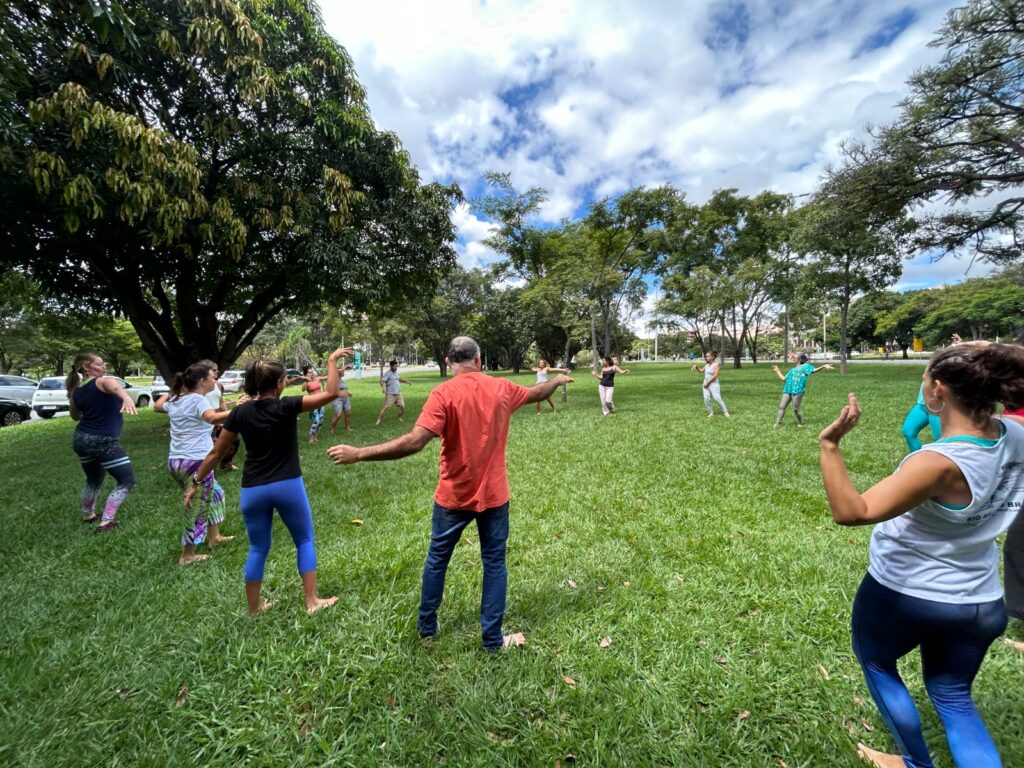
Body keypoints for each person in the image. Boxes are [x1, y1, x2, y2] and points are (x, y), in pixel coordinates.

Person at [818, 341, 1024, 768]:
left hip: (908, 593)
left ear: (938, 391)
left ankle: (915, 763)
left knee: (877, 663)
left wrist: (830, 446)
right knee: (954, 697)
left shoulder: (937, 462)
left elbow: (852, 512)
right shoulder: (1018, 436)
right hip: (982, 601)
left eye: (924, 379)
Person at [327, 336, 574, 651]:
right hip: (494, 496)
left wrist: (359, 453)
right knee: (494, 563)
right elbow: (538, 392)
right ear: (479, 361)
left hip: (453, 497)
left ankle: (427, 628)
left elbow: (415, 441)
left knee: (437, 559)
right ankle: (492, 641)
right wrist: (556, 379)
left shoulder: (443, 393)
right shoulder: (501, 389)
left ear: (448, 363)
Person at [185, 347, 351, 615]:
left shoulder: (240, 412)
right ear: (278, 383)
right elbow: (331, 393)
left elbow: (216, 452)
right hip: (288, 485)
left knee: (258, 547)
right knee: (304, 540)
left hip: (253, 489)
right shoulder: (287, 406)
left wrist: (195, 481)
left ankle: (254, 608)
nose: (286, 383)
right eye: (285, 379)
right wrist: (331, 360)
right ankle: (311, 602)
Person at [154, 362, 235, 565]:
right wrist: (239, 411)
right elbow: (212, 418)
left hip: (176, 461)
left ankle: (214, 537)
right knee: (196, 507)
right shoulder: (198, 399)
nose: (214, 380)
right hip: (195, 462)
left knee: (216, 494)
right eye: (212, 377)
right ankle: (187, 555)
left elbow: (157, 406)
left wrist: (171, 391)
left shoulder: (177, 400)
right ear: (202, 381)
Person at [66, 352, 138, 533]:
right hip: (102, 440)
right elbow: (113, 386)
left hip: (80, 438)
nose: (103, 366)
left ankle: (88, 515)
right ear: (86, 368)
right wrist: (126, 397)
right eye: (99, 364)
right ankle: (106, 522)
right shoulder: (102, 381)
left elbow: (75, 417)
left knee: (93, 479)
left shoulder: (76, 391)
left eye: (104, 363)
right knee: (127, 480)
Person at [772, 353, 833, 427]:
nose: (792, 357)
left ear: (800, 359)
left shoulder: (806, 367)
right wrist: (777, 371)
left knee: (795, 408)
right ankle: (777, 423)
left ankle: (800, 423)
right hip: (788, 389)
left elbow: (814, 370)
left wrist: (823, 366)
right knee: (782, 406)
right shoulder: (792, 370)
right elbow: (784, 379)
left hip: (798, 390)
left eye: (794, 357)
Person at [203, 361, 239, 471]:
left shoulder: (218, 384)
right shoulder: (198, 385)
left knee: (235, 440)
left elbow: (221, 402)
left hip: (218, 417)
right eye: (214, 370)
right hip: (205, 419)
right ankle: (206, 470)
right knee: (211, 445)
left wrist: (228, 418)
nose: (217, 372)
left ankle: (226, 462)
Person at [901, 383, 942, 452]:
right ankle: (918, 459)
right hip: (922, 403)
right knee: (908, 431)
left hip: (937, 404)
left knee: (941, 440)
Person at [691, 350, 730, 418]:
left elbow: (715, 376)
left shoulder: (716, 365)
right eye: (706, 356)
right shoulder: (707, 365)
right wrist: (696, 367)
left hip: (713, 384)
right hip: (706, 383)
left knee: (717, 398)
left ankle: (725, 412)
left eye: (708, 356)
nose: (706, 358)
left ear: (712, 357)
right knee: (706, 398)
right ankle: (710, 412)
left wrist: (708, 383)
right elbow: (701, 370)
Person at [375, 360, 411, 426]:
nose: (396, 367)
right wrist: (383, 387)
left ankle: (399, 417)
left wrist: (406, 381)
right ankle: (378, 420)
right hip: (390, 394)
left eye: (396, 366)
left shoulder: (396, 373)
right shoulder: (388, 373)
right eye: (394, 366)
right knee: (386, 407)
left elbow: (398, 379)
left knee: (402, 406)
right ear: (391, 366)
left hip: (398, 393)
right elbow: (381, 381)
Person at [301, 365, 329, 443]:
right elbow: (303, 389)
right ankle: (311, 437)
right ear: (306, 374)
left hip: (321, 402)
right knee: (316, 420)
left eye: (312, 371)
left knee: (321, 420)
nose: (312, 373)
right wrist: (306, 380)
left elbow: (327, 377)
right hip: (313, 403)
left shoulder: (317, 379)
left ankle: (315, 436)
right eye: (310, 372)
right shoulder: (307, 382)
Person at [329, 367, 353, 432]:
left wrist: (348, 393)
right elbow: (333, 370)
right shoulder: (334, 379)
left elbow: (343, 389)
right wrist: (345, 367)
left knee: (348, 413)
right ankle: (332, 428)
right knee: (338, 415)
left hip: (346, 399)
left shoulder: (341, 380)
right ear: (338, 372)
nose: (344, 372)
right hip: (337, 399)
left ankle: (347, 427)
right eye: (342, 371)